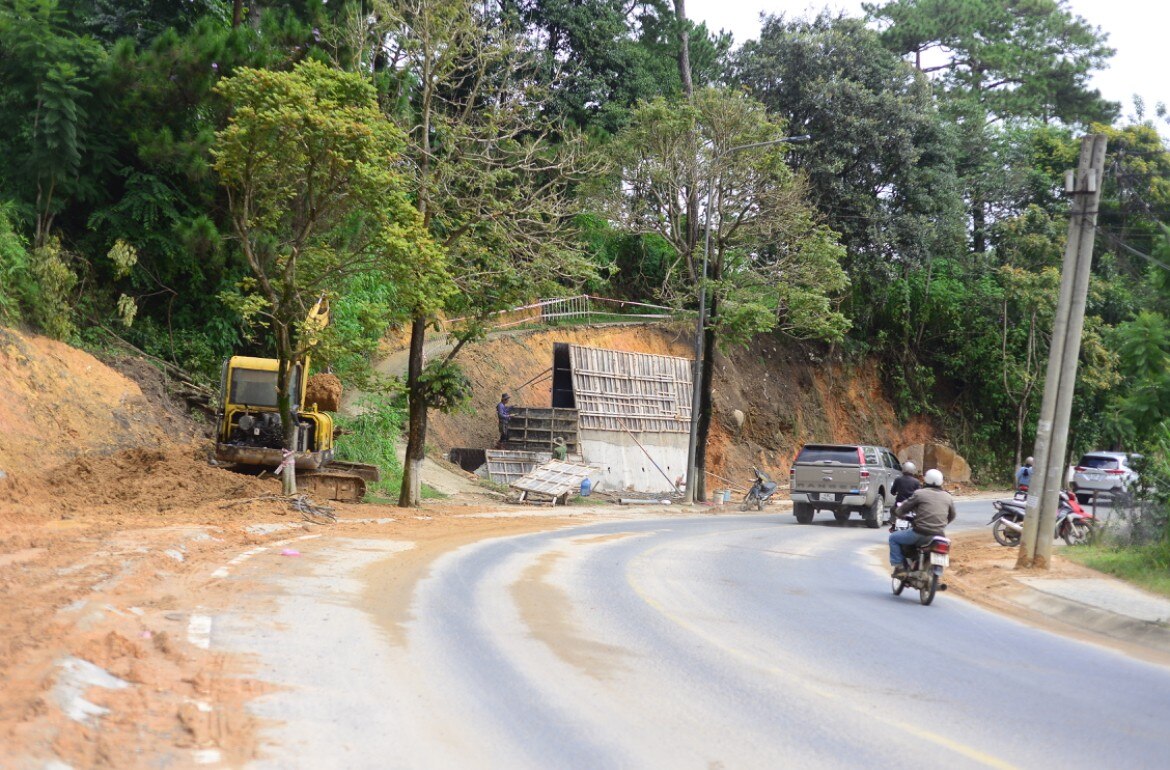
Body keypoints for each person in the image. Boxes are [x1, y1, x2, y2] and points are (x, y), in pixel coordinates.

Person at [888, 468, 956, 578]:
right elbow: (952, 515)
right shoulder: (947, 497)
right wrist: (941, 524)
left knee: (893, 538)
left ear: (926, 480)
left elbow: (903, 508)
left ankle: (899, 567)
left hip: (919, 532)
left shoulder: (920, 494)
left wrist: (900, 514)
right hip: (939, 534)